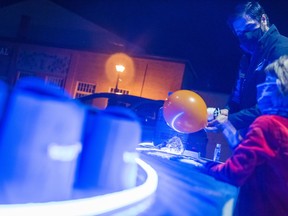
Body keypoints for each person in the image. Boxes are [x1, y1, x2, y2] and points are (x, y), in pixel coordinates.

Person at [203, 55, 288, 216]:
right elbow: (252, 154)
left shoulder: (268, 124)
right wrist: (225, 126)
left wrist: (203, 167)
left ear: (278, 87)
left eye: (267, 82)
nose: (261, 87)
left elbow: (233, 172)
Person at [206, 1, 288, 142]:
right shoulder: (247, 58)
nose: (246, 36)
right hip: (251, 139)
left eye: (249, 28)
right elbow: (237, 98)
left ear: (263, 19)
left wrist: (229, 121)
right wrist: (225, 112)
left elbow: (274, 104)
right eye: (240, 33)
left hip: (275, 141)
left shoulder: (281, 49)